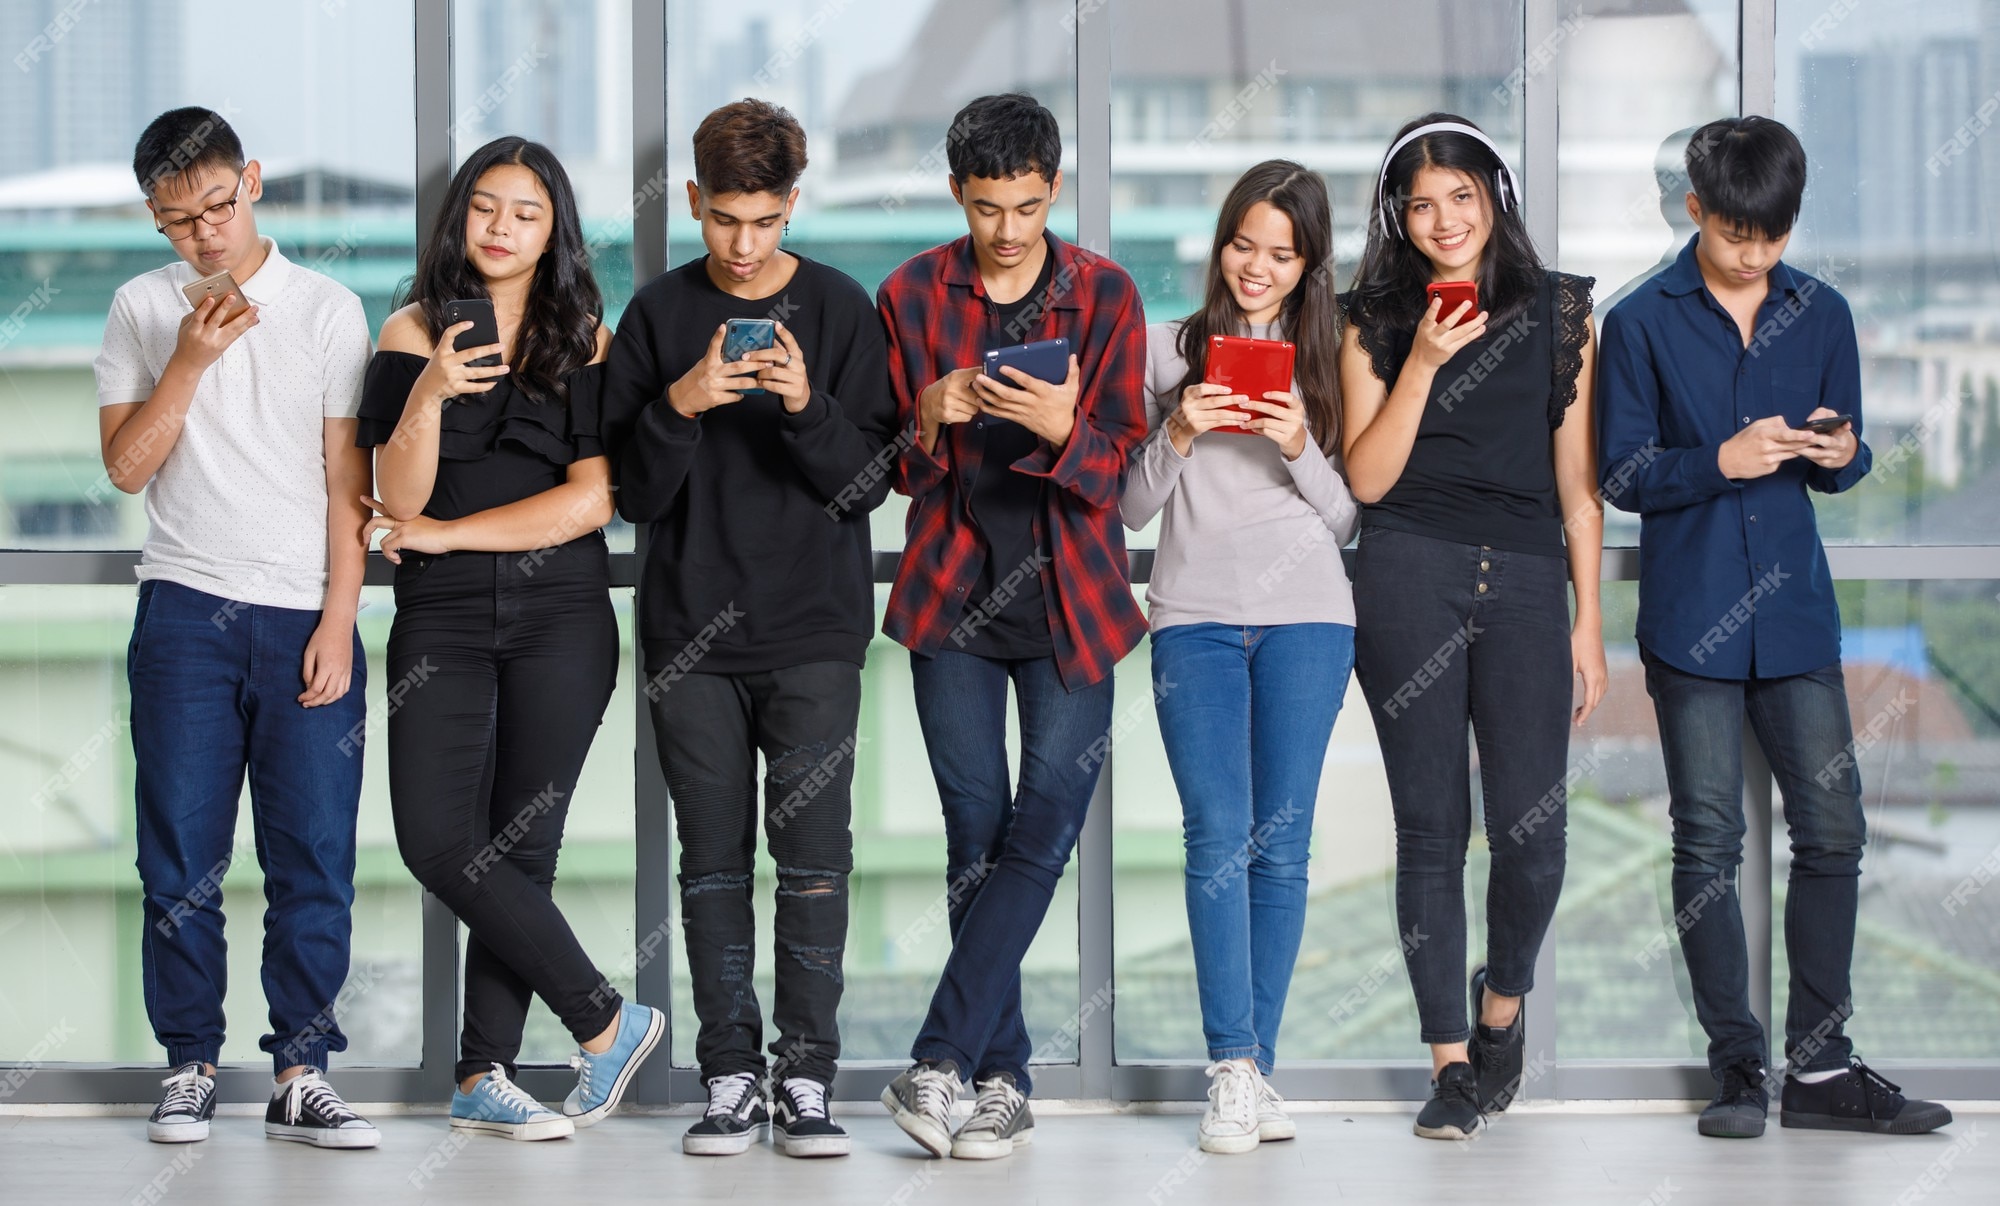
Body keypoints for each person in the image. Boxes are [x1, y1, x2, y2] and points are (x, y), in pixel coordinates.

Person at [1597, 115, 1952, 1140]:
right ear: (1693, 208)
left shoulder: (1822, 312)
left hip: (1793, 612)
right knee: (1706, 839)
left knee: (1833, 830)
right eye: (1734, 232)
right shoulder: (1639, 322)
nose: (1753, 252)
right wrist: (1720, 459)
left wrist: (1838, 455)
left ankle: (1819, 1065)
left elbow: (1844, 458)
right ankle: (1736, 1066)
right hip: (1690, 620)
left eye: (1772, 234)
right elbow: (1619, 473)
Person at [598, 99, 898, 1159]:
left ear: (789, 209)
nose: (742, 244)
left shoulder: (840, 308)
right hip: (688, 639)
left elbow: (866, 483)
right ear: (693, 202)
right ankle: (728, 1075)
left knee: (815, 860)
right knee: (711, 866)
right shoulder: (654, 318)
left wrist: (806, 404)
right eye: (724, 219)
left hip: (814, 632)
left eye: (763, 221)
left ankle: (805, 1079)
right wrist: (679, 403)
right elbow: (630, 493)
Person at [360, 135, 663, 1142]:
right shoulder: (407, 330)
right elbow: (390, 499)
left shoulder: (586, 341)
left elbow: (590, 503)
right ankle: (605, 1021)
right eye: (485, 208)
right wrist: (433, 395)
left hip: (561, 615)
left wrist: (448, 534)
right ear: (460, 218)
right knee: (439, 839)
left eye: (525, 214)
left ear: (553, 233)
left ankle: (480, 1077)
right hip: (439, 617)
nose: (501, 229)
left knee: (522, 849)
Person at [95, 106, 378, 1147]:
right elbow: (125, 470)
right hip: (182, 613)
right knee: (178, 858)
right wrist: (187, 362)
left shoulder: (326, 309)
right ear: (156, 219)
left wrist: (340, 620)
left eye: (218, 205)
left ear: (250, 181)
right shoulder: (139, 309)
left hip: (303, 607)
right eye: (178, 222)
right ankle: (189, 1066)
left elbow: (349, 483)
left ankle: (302, 1070)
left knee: (313, 852)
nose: (205, 235)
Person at [875, 92, 1148, 1161]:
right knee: (972, 837)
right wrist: (925, 423)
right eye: (987, 208)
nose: (1006, 231)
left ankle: (941, 1060)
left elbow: (1123, 480)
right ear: (958, 193)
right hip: (950, 604)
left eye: (1027, 206)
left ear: (1054, 188)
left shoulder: (1106, 296)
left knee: (1041, 833)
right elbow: (881, 473)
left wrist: (1060, 428)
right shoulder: (907, 295)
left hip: (1072, 608)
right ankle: (1002, 1079)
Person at [1338, 113, 1605, 1140]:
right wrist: (1419, 360)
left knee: (1533, 837)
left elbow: (1579, 492)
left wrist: (1587, 628)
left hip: (1530, 582)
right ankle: (1450, 1062)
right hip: (1406, 574)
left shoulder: (1560, 311)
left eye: (1459, 195)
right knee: (1431, 833)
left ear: (1493, 195)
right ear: (1395, 219)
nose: (1443, 218)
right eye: (1419, 203)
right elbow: (1363, 479)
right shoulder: (1366, 314)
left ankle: (1501, 1005)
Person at [1119, 160, 1357, 1154]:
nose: (1256, 268)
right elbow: (1130, 507)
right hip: (1192, 618)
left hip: (1308, 618)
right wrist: (1179, 425)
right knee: (1214, 832)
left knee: (1282, 844)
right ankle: (1229, 1067)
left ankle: (1256, 1067)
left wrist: (1300, 442)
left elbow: (1347, 521)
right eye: (1242, 245)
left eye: (1280, 253)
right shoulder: (1165, 350)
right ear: (1219, 245)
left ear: (1307, 266)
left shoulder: (1335, 357)